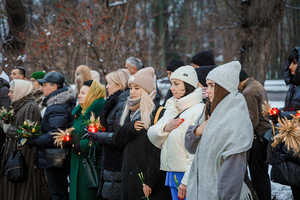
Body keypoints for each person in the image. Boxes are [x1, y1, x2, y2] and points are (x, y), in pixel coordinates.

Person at [185, 61, 253, 199]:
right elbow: (189, 146)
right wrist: (198, 131)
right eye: (207, 85)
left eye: (211, 86)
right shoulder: (210, 109)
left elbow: (232, 178)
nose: (207, 90)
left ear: (224, 88)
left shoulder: (236, 119)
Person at [114, 67, 171, 200]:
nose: (132, 92)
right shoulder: (129, 110)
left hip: (149, 183)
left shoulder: (159, 112)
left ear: (146, 90)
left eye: (137, 88)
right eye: (131, 88)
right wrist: (130, 128)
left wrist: (149, 180)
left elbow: (159, 152)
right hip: (129, 180)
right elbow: (117, 141)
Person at [148, 66, 205, 200]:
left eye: (176, 84)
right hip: (172, 172)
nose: (171, 88)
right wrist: (165, 128)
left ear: (189, 84)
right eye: (171, 84)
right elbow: (152, 134)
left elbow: (197, 150)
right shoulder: (173, 107)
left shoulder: (199, 110)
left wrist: (186, 180)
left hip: (187, 175)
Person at [26, 72, 76, 200]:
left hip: (55, 156)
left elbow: (55, 135)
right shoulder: (61, 102)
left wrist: (35, 141)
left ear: (55, 87)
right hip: (59, 154)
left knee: (57, 193)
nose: (42, 88)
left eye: (45, 85)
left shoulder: (57, 106)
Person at [87, 70, 130, 200]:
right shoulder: (115, 102)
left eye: (109, 83)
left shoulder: (121, 104)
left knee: (112, 194)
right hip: (111, 159)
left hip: (116, 161)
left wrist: (98, 136)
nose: (106, 87)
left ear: (119, 86)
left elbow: (120, 136)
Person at [0, 79, 43, 200]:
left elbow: (26, 133)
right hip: (16, 155)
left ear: (20, 92)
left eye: (12, 91)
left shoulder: (30, 107)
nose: (9, 94)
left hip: (25, 157)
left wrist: (6, 128)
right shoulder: (20, 105)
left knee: (26, 191)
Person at [271, 47, 300, 199]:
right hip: (293, 142)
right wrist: (278, 113)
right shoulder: (293, 87)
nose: (290, 67)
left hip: (297, 142)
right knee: (295, 184)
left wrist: (283, 115)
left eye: (295, 63)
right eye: (290, 63)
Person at [69, 80, 105, 200]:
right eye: (79, 93)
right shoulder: (79, 114)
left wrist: (83, 145)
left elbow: (104, 141)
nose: (79, 96)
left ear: (93, 96)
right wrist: (68, 140)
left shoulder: (100, 114)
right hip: (76, 167)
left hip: (91, 169)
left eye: (83, 93)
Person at [239, 69, 272, 199]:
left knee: (258, 176)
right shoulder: (256, 85)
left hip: (257, 137)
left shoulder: (249, 91)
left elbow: (251, 121)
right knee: (263, 174)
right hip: (263, 135)